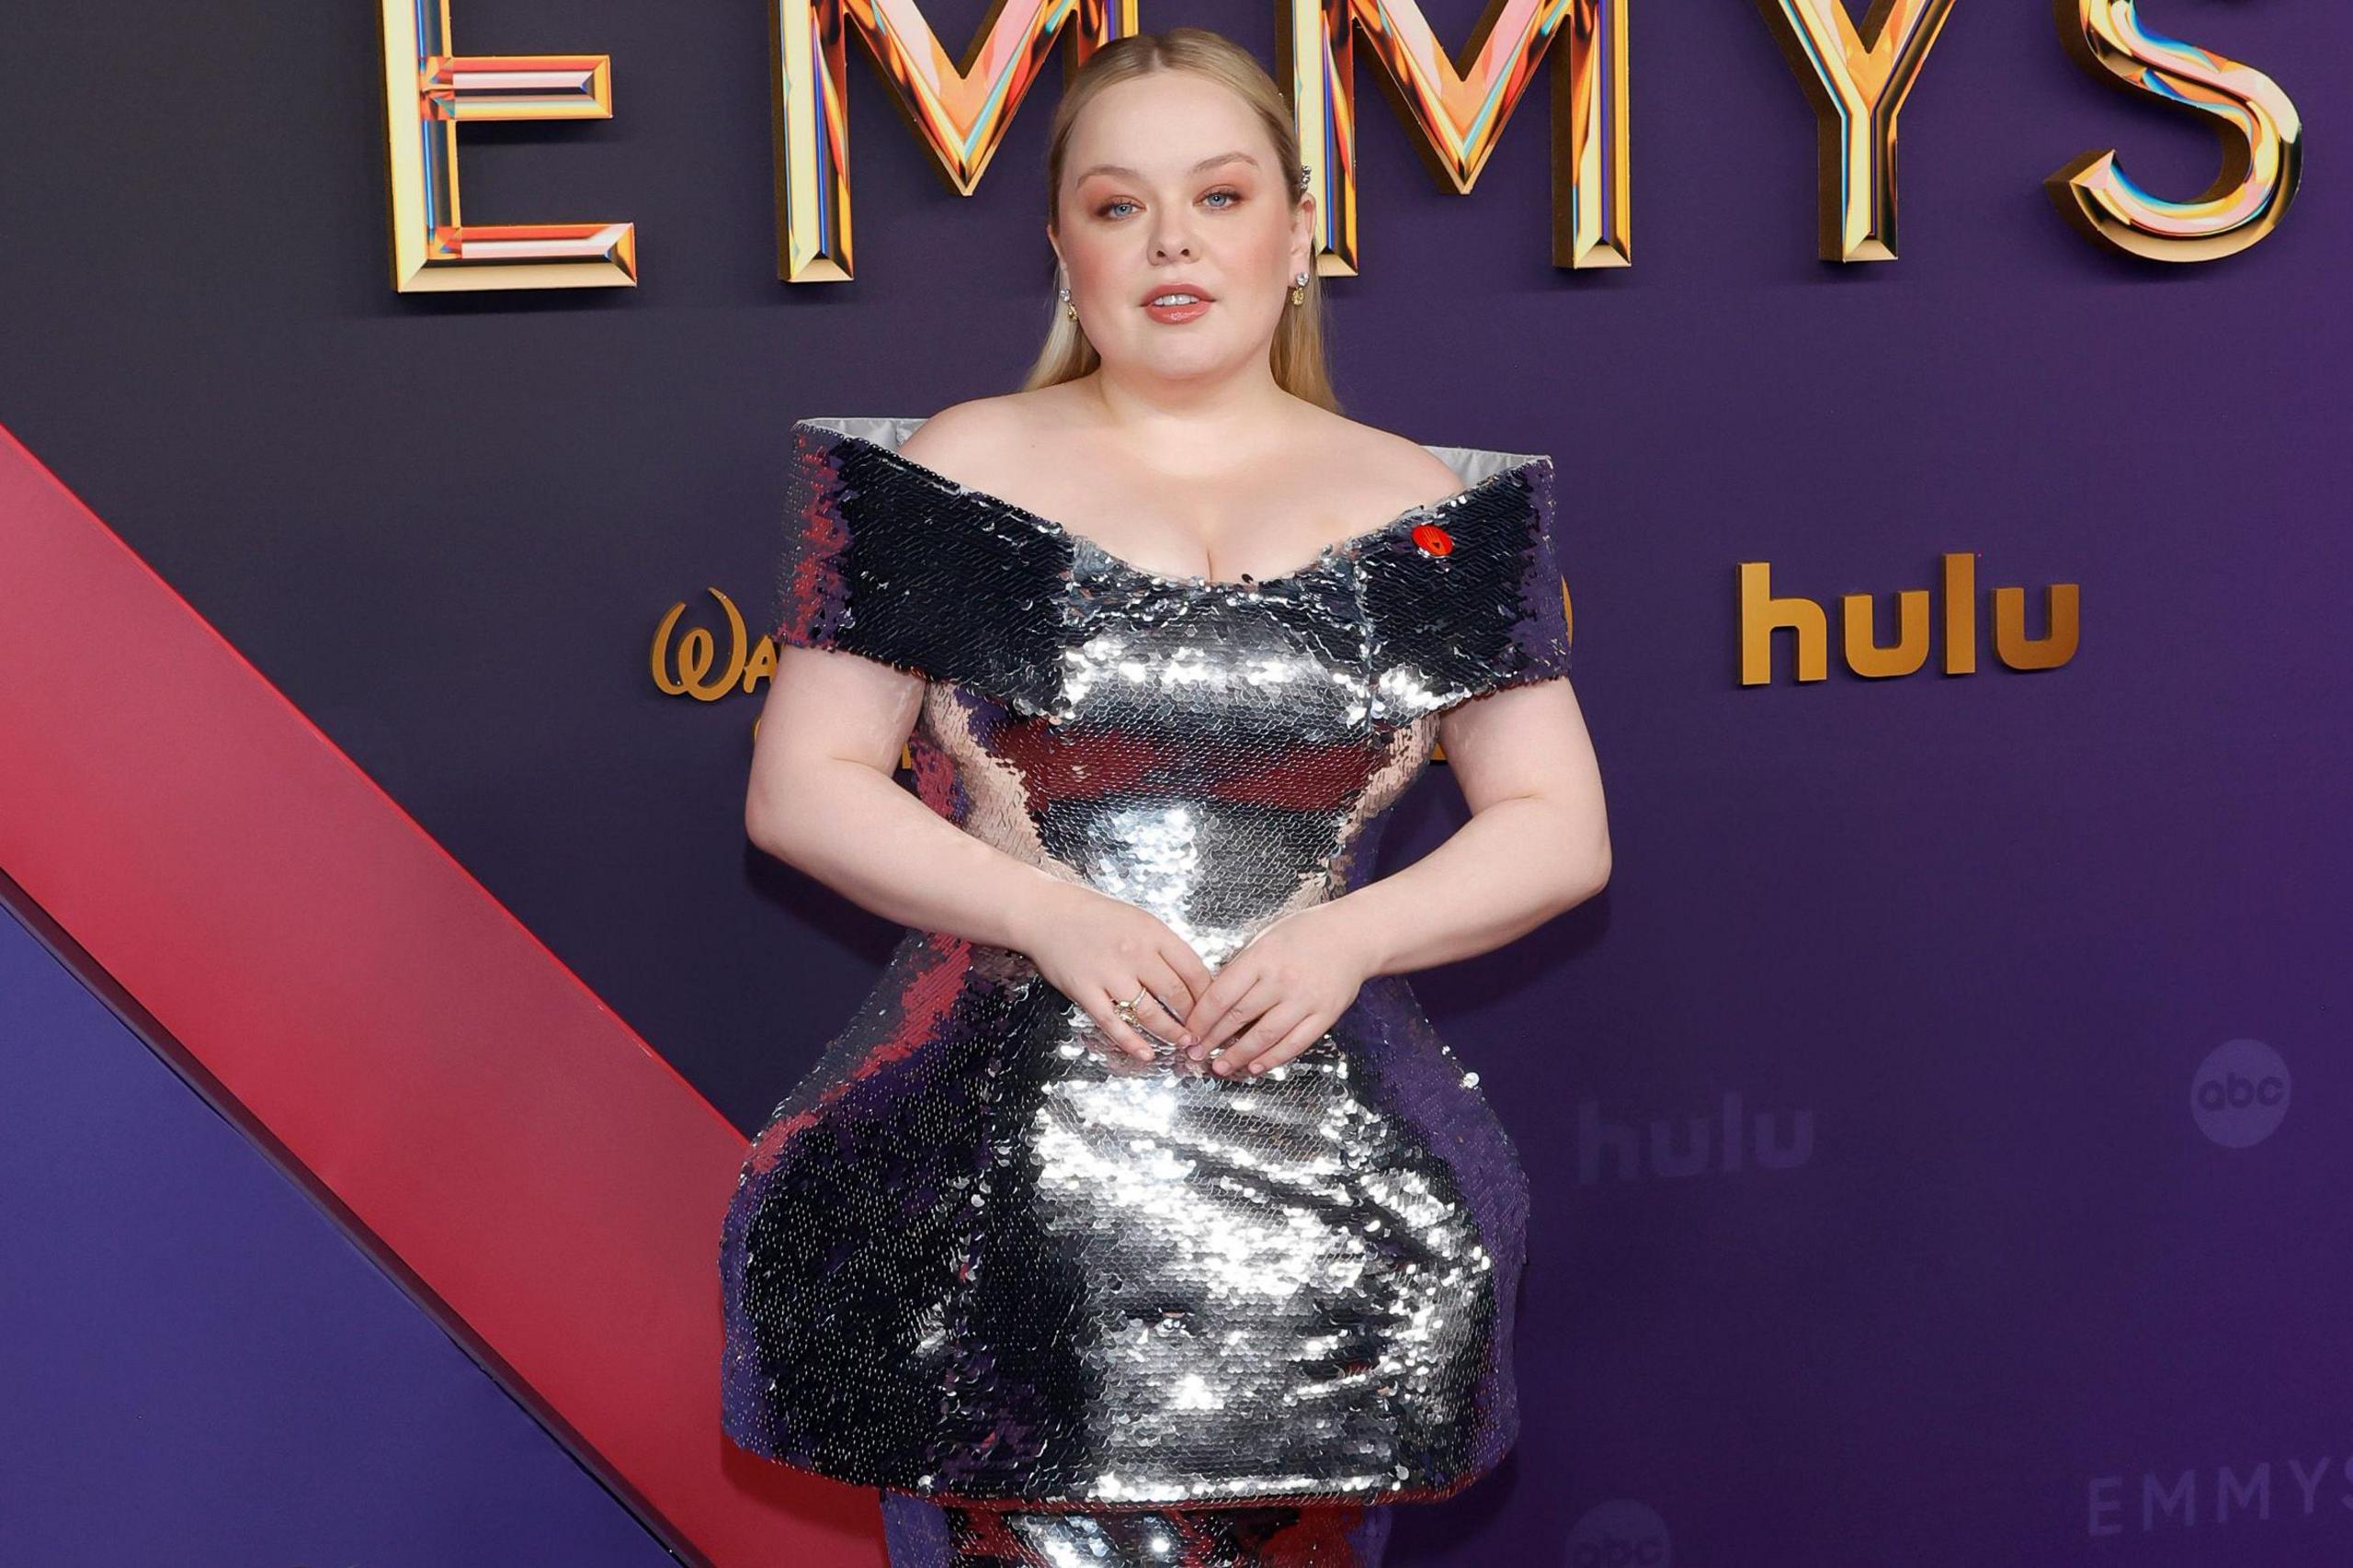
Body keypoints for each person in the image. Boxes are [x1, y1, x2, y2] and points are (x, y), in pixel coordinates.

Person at [720, 26, 1610, 1568]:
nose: (1173, 241)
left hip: (1332, 1213)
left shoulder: (1426, 508)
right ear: (1064, 245)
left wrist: (1348, 938)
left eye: (1218, 193)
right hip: (1009, 1207)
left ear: (1298, 233)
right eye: (1120, 205)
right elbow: (805, 785)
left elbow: (1557, 825)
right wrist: (1041, 909)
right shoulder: (959, 467)